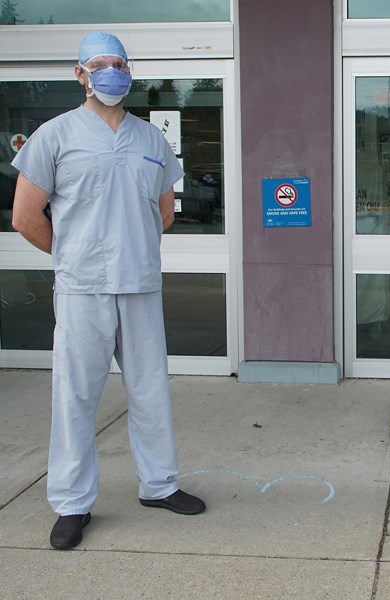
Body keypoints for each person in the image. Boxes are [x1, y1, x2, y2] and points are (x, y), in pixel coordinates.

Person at [11, 32, 205, 550]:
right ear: (80, 75)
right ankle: (72, 503)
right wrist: (74, 256)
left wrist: (127, 248)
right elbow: (25, 216)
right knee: (74, 396)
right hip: (82, 289)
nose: (111, 71)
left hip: (139, 283)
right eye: (99, 64)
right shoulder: (52, 136)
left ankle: (159, 485)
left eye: (118, 63)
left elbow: (163, 211)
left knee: (150, 390)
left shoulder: (150, 139)